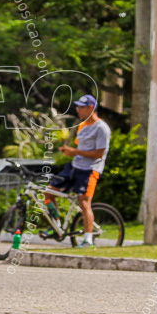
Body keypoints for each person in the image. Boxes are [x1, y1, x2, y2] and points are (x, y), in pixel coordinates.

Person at [45, 94, 111, 246]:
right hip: (75, 166)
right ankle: (56, 224)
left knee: (84, 202)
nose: (78, 110)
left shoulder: (102, 128)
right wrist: (70, 151)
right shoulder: (81, 126)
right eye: (77, 107)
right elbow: (81, 148)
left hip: (90, 169)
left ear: (91, 108)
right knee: (49, 192)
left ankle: (88, 239)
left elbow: (99, 153)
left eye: (81, 107)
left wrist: (75, 152)